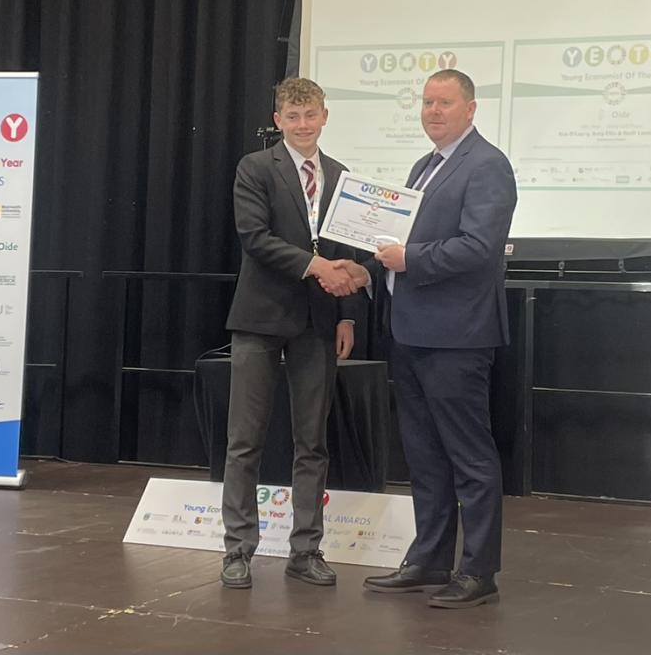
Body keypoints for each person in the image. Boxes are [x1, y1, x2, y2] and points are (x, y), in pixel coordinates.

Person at [334, 69, 517, 608]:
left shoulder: (487, 165)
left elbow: (478, 248)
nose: (433, 111)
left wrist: (408, 259)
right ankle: (429, 560)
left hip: (458, 336)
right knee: (424, 454)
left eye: (445, 103)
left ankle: (478, 571)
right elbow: (400, 241)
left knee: (469, 456)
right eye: (427, 102)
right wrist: (368, 268)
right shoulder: (424, 166)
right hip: (411, 331)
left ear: (471, 109)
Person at [220, 77, 360, 590]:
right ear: (278, 121)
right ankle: (238, 550)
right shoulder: (255, 168)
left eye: (311, 115)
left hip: (318, 322)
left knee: (312, 443)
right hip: (259, 318)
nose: (303, 125)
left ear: (325, 116)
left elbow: (347, 249)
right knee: (245, 441)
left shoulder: (342, 176)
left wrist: (347, 315)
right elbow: (254, 238)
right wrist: (317, 266)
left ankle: (306, 551)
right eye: (293, 117)